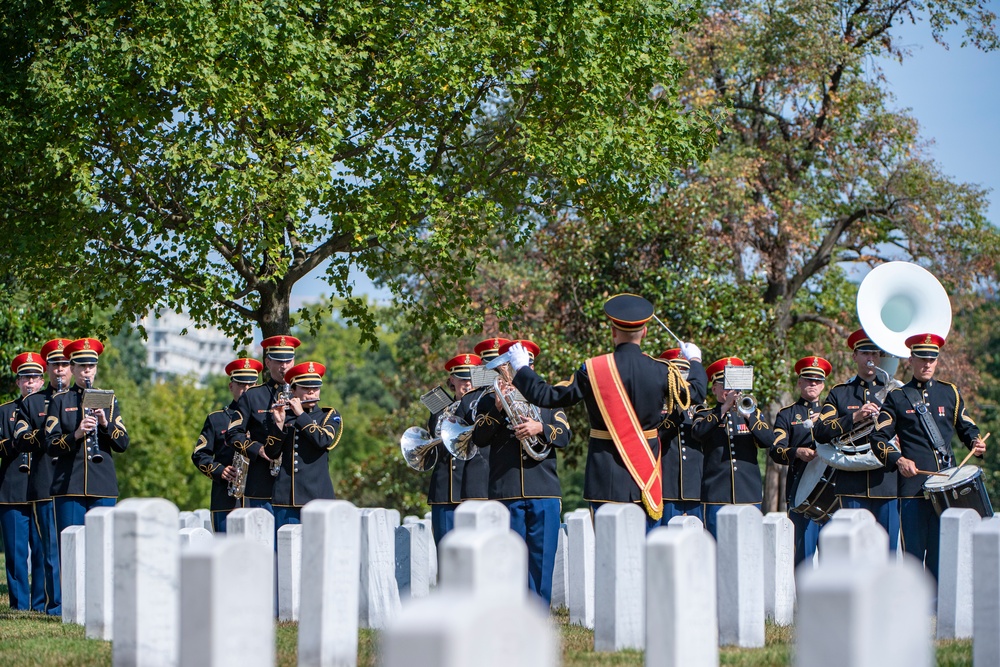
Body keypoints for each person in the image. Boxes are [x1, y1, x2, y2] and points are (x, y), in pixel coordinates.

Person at [508, 294, 693, 530]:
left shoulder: (594, 369)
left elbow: (548, 396)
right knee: (646, 559)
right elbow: (693, 394)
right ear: (644, 332)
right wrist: (695, 360)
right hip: (645, 479)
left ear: (613, 332)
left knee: (609, 558)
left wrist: (522, 368)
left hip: (605, 479)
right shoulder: (663, 371)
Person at [870, 333, 985, 579]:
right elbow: (878, 439)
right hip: (913, 488)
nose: (927, 364)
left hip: (946, 487)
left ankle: (938, 608)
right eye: (922, 359)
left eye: (932, 359)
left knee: (942, 550)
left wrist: (975, 441)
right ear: (911, 360)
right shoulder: (897, 397)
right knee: (912, 553)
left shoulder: (949, 393)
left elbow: (966, 427)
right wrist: (898, 459)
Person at [469, 339, 571, 603]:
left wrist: (541, 429)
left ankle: (539, 610)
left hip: (543, 489)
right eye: (507, 367)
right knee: (508, 558)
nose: (511, 373)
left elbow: (565, 435)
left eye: (516, 366)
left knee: (542, 556)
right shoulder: (489, 400)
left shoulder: (548, 398)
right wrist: (497, 408)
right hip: (507, 490)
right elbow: (479, 438)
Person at [813, 329, 899, 550]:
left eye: (874, 354)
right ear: (854, 357)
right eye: (864, 353)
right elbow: (821, 430)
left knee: (887, 550)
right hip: (851, 483)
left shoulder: (894, 392)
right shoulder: (840, 393)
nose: (870, 358)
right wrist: (855, 417)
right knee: (854, 550)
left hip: (886, 481)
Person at [46, 338, 129, 534]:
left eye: (91, 366)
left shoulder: (108, 399)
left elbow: (122, 443)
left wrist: (104, 423)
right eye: (82, 366)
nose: (87, 370)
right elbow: (50, 445)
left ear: (96, 369)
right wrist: (76, 434)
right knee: (69, 548)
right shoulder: (59, 400)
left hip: (102, 484)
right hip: (69, 486)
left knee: (104, 547)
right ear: (72, 369)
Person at [13, 339, 70, 616]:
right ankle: (56, 606)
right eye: (55, 365)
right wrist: (50, 436)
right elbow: (21, 438)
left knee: (78, 547)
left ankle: (79, 600)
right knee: (50, 551)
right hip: (46, 483)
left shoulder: (83, 399)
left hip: (76, 483)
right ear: (47, 369)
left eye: (64, 365)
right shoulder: (33, 402)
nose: (60, 370)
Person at [692, 356, 774, 538]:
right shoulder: (704, 413)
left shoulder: (752, 413)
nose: (731, 390)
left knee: (750, 546)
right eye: (725, 385)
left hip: (747, 494)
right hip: (716, 494)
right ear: (714, 388)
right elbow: (698, 433)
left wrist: (749, 416)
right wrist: (724, 409)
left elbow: (768, 440)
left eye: (735, 385)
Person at [769, 355, 832, 566]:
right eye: (808, 379)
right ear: (799, 383)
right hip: (801, 491)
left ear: (823, 385)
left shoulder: (832, 414)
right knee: (803, 556)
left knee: (833, 558)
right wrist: (797, 452)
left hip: (831, 495)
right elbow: (776, 450)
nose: (812, 384)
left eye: (817, 380)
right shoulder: (787, 415)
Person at [265, 361, 342, 530]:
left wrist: (300, 415)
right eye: (305, 388)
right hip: (286, 497)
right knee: (285, 553)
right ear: (293, 391)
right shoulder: (285, 415)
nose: (311, 391)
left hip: (317, 498)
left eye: (315, 387)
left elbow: (323, 440)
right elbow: (271, 453)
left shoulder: (328, 415)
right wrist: (278, 425)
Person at [227, 335, 300, 514]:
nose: (284, 366)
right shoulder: (252, 396)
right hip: (262, 484)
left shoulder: (302, 393)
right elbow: (233, 434)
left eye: (288, 361)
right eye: (278, 361)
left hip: (295, 486)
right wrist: (257, 449)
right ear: (268, 362)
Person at [192, 357, 263, 533]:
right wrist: (219, 470)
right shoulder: (216, 419)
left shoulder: (265, 418)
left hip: (259, 497)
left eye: (251, 385)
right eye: (241, 385)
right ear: (231, 387)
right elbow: (200, 454)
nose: (246, 389)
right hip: (226, 499)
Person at [0, 352, 46, 610]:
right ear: (17, 382)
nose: (30, 382)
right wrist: (18, 443)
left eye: (35, 377)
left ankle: (40, 604)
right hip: (12, 490)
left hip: (42, 489)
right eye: (25, 378)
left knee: (42, 552)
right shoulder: (5, 411)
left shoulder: (51, 407)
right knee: (17, 555)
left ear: (42, 381)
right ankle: (19, 604)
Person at [427, 352, 481, 545]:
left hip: (476, 490)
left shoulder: (484, 405)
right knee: (445, 554)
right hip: (445, 490)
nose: (467, 384)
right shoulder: (439, 407)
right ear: (452, 380)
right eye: (462, 379)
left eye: (472, 379)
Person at [657, 347, 707, 522]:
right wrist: (675, 413)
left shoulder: (700, 407)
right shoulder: (658, 404)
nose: (682, 377)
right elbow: (657, 436)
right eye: (678, 371)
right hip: (667, 486)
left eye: (685, 371)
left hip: (696, 486)